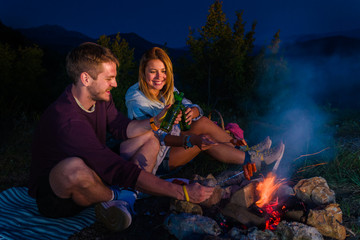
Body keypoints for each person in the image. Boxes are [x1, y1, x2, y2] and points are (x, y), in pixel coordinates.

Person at [28, 42, 215, 232]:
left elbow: (121, 127)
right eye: (109, 78)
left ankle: (126, 197)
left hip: (96, 167)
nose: (115, 84)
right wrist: (181, 193)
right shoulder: (66, 118)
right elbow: (111, 166)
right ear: (86, 78)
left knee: (149, 136)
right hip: (59, 197)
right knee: (73, 169)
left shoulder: (100, 99)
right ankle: (119, 197)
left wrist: (155, 122)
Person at [125, 47, 285, 178]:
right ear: (143, 73)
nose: (160, 77)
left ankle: (247, 151)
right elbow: (157, 139)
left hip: (176, 141)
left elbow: (194, 107)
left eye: (163, 71)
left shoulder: (166, 90)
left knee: (200, 122)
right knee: (203, 139)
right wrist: (192, 138)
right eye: (153, 71)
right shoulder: (137, 100)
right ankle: (255, 160)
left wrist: (193, 111)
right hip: (159, 159)